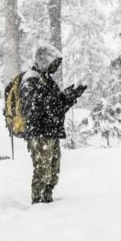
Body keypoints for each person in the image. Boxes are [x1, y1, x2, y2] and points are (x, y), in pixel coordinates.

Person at [20, 44, 87, 204]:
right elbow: (40, 105)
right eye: (53, 62)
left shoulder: (47, 81)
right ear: (44, 60)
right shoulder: (31, 79)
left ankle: (47, 198)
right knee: (43, 169)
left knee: (53, 170)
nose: (55, 67)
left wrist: (70, 96)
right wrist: (61, 98)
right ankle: (38, 202)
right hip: (39, 132)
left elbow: (56, 107)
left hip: (50, 131)